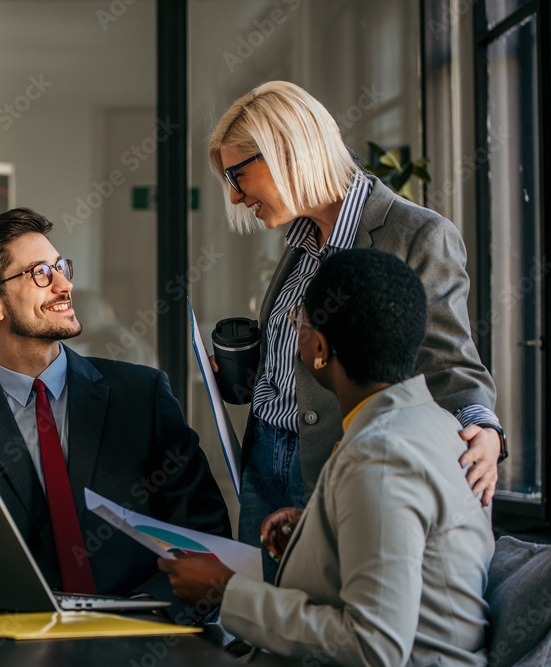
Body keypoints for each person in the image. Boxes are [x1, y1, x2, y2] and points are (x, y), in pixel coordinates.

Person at [209, 81, 502, 581]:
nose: (235, 196)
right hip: (263, 463)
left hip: (335, 467)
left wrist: (486, 430)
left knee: (317, 617)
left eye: (238, 175)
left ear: (286, 151)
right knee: (257, 616)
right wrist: (254, 372)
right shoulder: (301, 239)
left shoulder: (416, 235)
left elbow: (449, 363)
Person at [161, 248, 494, 666]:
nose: (295, 332)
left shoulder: (379, 460)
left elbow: (372, 647)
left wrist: (227, 591)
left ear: (319, 347)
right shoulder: (438, 425)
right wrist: (323, 532)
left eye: (297, 321)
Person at [0, 208, 230, 603]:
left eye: (61, 267)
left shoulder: (142, 396)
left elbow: (203, 532)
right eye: (40, 273)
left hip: (147, 631)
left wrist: (149, 614)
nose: (65, 284)